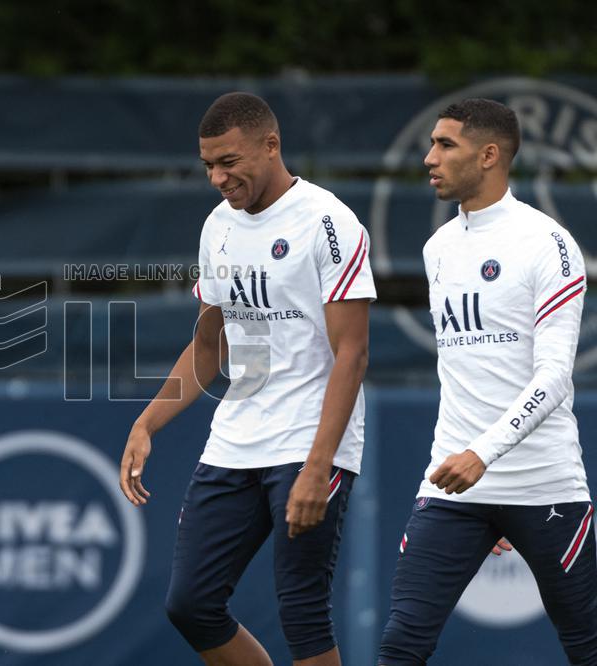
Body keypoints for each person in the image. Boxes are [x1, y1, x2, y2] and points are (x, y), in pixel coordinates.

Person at [120, 92, 375, 666]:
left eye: (228, 161)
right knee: (191, 603)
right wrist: (147, 422)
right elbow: (211, 342)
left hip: (310, 441)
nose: (217, 177)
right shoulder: (218, 227)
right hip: (238, 436)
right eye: (208, 164)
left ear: (271, 145)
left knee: (302, 611)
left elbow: (353, 354)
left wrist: (318, 466)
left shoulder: (328, 222)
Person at [378, 98, 597, 665]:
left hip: (545, 487)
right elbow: (464, 372)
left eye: (445, 145)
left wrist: (485, 455)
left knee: (587, 647)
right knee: (401, 645)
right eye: (430, 144)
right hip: (454, 488)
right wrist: (472, 466)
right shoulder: (437, 248)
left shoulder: (548, 245)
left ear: (490, 155)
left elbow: (553, 379)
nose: (429, 158)